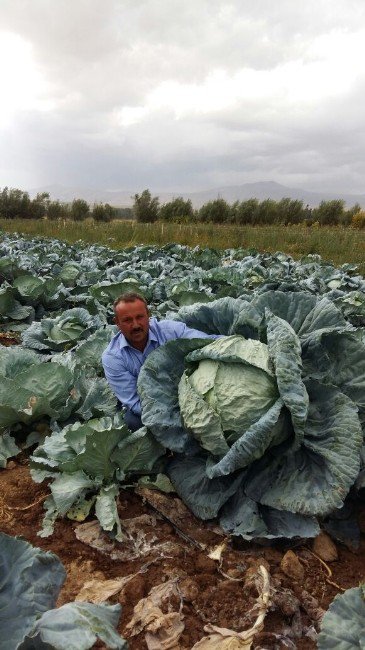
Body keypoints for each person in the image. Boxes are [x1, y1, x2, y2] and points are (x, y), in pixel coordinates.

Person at [102, 291, 220, 431]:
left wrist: (240, 344)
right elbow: (134, 402)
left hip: (196, 388)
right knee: (132, 421)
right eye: (127, 320)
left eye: (140, 317)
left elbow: (208, 342)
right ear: (117, 323)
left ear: (148, 315)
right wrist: (184, 414)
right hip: (157, 407)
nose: (135, 325)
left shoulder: (171, 331)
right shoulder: (113, 357)